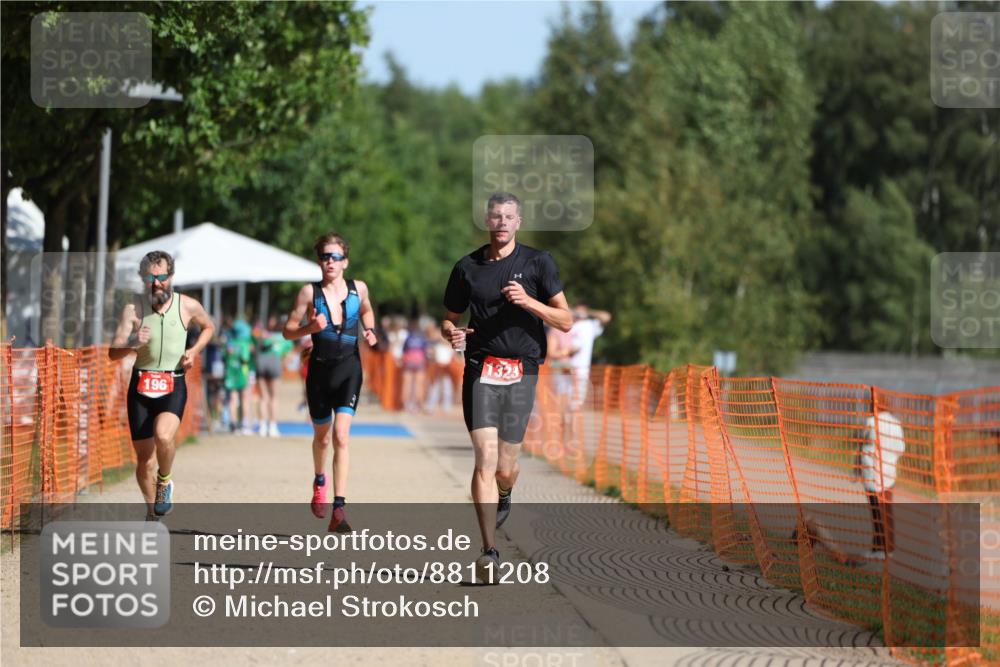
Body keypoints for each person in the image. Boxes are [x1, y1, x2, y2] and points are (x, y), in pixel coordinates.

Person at [442, 192, 572, 583]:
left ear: (519, 222)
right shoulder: (467, 267)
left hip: (522, 371)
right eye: (495, 216)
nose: (501, 222)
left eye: (508, 217)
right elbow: (448, 319)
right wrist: (452, 333)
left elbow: (565, 320)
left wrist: (530, 302)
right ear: (487, 221)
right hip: (481, 369)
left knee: (505, 467)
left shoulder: (538, 262)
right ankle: (489, 551)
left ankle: (504, 493)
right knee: (484, 458)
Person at [283, 233, 377, 533]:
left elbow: (366, 310)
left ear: (345, 262)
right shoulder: (309, 293)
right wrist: (309, 328)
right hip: (319, 372)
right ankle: (320, 479)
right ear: (319, 261)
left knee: (341, 437)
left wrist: (371, 330)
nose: (330, 262)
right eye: (325, 256)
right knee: (322, 438)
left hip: (349, 369)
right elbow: (288, 331)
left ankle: (339, 508)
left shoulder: (358, 288)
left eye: (335, 257)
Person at [110, 250, 214, 519]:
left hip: (172, 382)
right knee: (144, 460)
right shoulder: (133, 309)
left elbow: (209, 327)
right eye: (150, 277)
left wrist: (194, 351)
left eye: (162, 276)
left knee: (164, 435)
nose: (157, 283)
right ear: (143, 278)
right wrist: (134, 344)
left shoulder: (187, 306)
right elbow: (113, 352)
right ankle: (151, 512)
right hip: (140, 387)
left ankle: (165, 480)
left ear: (172, 276)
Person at [859, 400, 905, 561]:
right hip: (889, 474)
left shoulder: (871, 422)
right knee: (887, 511)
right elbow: (901, 449)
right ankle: (887, 548)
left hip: (872, 473)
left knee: (877, 512)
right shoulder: (896, 424)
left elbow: (862, 443)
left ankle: (879, 549)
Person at [566, 303, 611, 412]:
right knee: (562, 402)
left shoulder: (590, 325)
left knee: (576, 404)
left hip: (581, 371)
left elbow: (606, 317)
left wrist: (589, 312)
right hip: (564, 370)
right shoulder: (567, 324)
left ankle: (570, 428)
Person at [256, 315, 292, 437]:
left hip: (261, 361)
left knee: (263, 397)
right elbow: (288, 358)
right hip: (274, 361)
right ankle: (272, 427)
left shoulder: (266, 336)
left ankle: (262, 426)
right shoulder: (286, 338)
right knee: (274, 397)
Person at [223, 320, 255, 435]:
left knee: (232, 399)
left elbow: (224, 356)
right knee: (245, 398)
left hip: (231, 374)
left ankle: (233, 424)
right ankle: (244, 424)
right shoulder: (245, 344)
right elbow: (245, 359)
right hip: (243, 373)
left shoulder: (229, 343)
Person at [401, 317, 430, 412]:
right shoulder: (423, 338)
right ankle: (417, 405)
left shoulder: (408, 337)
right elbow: (426, 351)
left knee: (408, 384)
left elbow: (404, 350)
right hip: (420, 361)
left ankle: (407, 405)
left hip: (409, 361)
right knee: (419, 384)